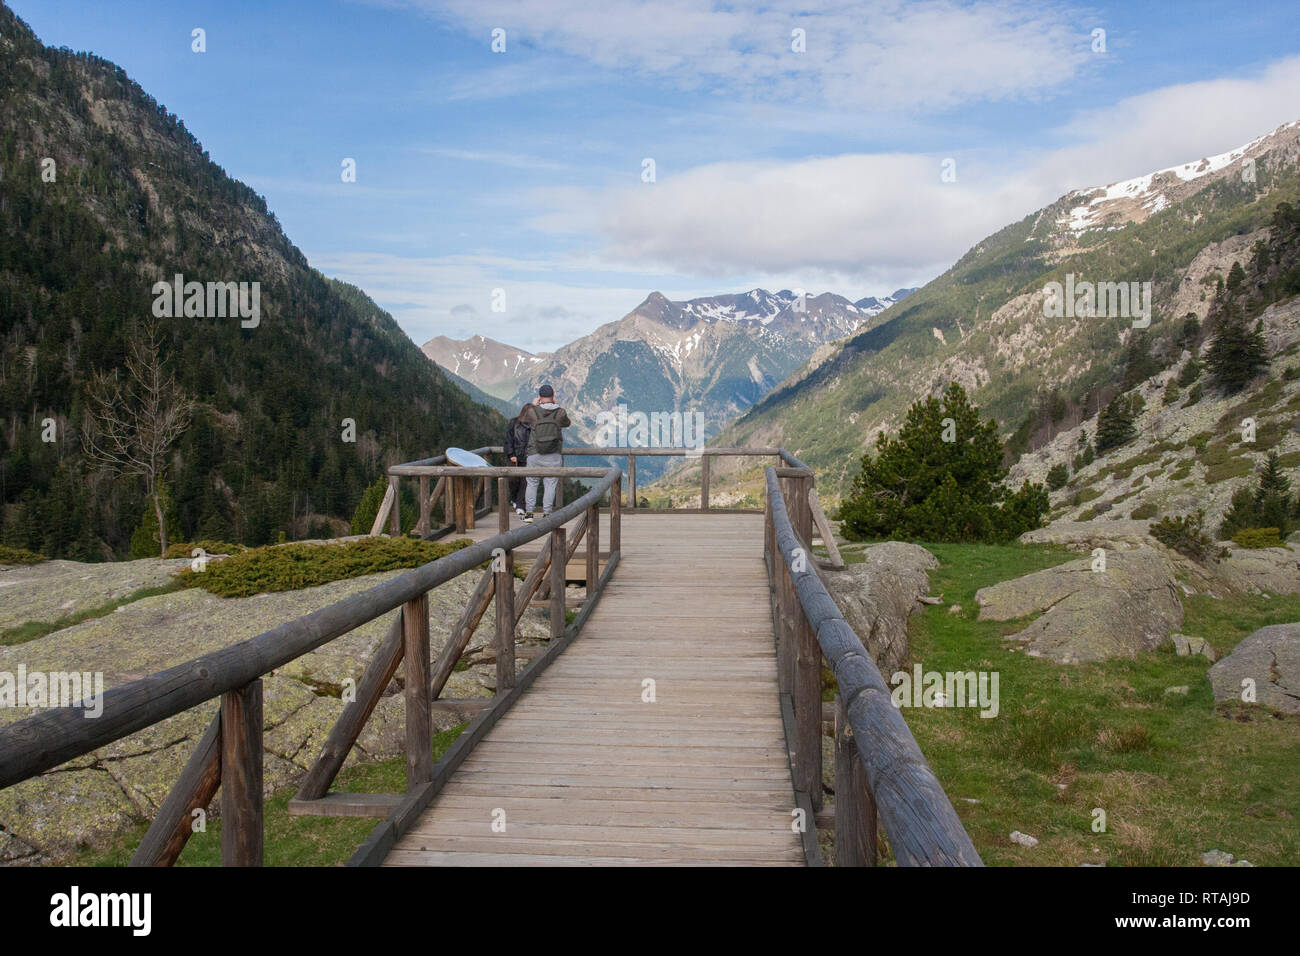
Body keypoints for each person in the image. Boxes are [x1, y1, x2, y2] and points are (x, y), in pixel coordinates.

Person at [520, 384, 571, 522]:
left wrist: (533, 405)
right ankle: (547, 514)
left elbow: (523, 420)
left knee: (532, 483)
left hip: (534, 453)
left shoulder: (532, 412)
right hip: (553, 454)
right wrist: (558, 406)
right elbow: (567, 423)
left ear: (540, 397)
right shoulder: (560, 412)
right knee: (550, 484)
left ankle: (529, 514)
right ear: (553, 397)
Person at [504, 403, 533, 517]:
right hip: (514, 457)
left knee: (525, 483)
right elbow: (508, 440)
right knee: (513, 480)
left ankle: (521, 505)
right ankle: (514, 499)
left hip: (528, 458)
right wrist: (511, 454)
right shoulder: (514, 423)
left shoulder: (534, 426)